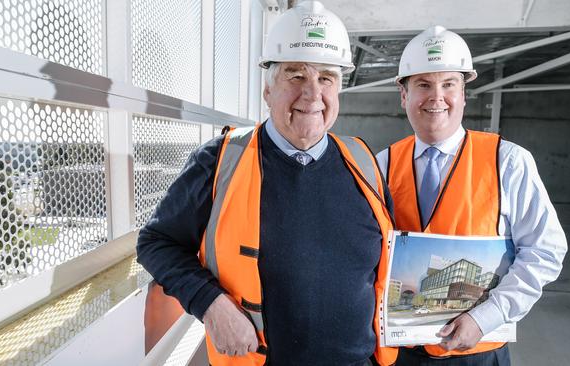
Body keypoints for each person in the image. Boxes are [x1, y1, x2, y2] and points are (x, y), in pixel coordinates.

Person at [137, 2, 398, 365]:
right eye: (295, 76)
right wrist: (210, 305)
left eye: (326, 78)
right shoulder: (221, 161)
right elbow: (155, 242)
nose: (312, 94)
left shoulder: (364, 162)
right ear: (268, 90)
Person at [376, 25, 567, 365]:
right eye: (423, 84)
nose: (437, 97)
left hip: (478, 352)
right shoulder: (382, 164)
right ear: (403, 95)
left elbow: (545, 251)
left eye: (449, 84)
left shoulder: (507, 162)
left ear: (464, 93)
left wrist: (486, 317)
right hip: (398, 353)